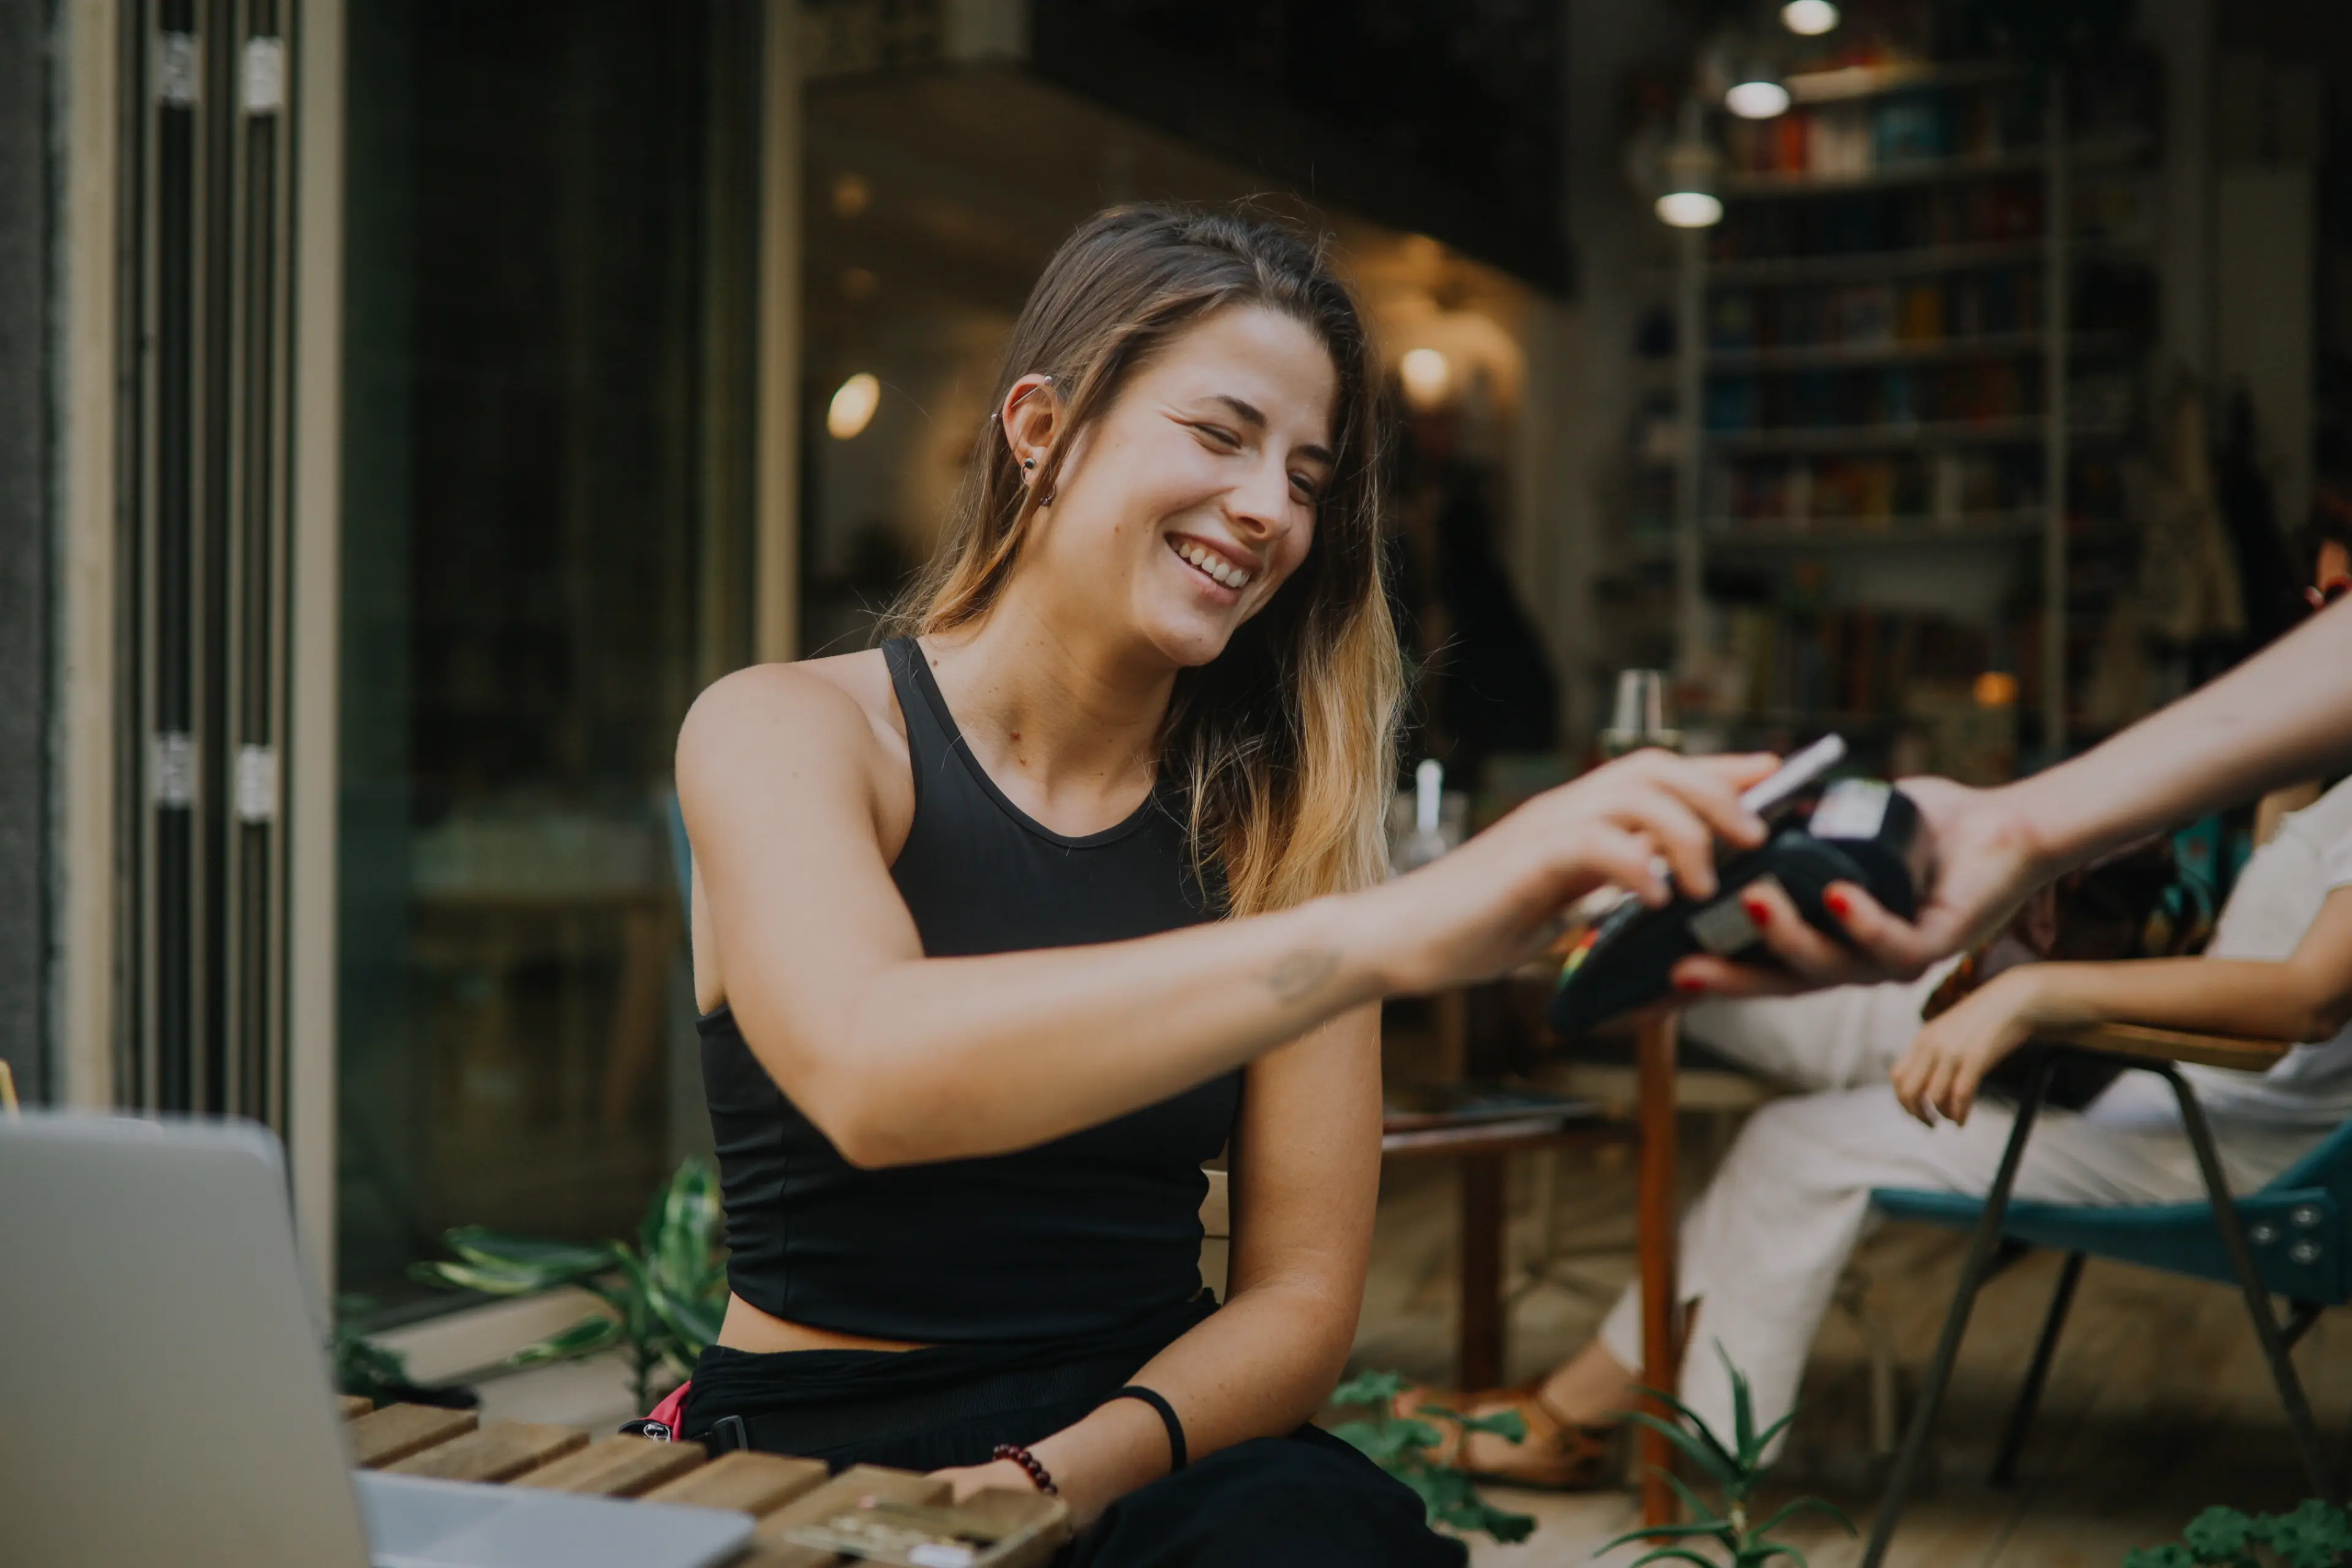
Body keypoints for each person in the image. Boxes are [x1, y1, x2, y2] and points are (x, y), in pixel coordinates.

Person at [672, 205, 1782, 1564]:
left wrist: (1058, 1468)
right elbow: (874, 1075)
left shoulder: (1277, 826)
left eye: (1308, 476)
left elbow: (1301, 1303)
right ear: (1042, 429)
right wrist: (1384, 934)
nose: (1269, 509)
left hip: (1139, 1434)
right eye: (1218, 434)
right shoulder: (788, 729)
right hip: (811, 1437)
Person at [1401, 529, 2352, 1487]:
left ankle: (1666, 1457)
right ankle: (1588, 938)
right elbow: (2267, 896)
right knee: (1786, 983)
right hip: (2142, 1073)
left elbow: (2307, 1000)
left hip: (2224, 1135)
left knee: (1796, 1146)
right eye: (2319, 596)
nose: (2321, 605)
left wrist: (2035, 992)